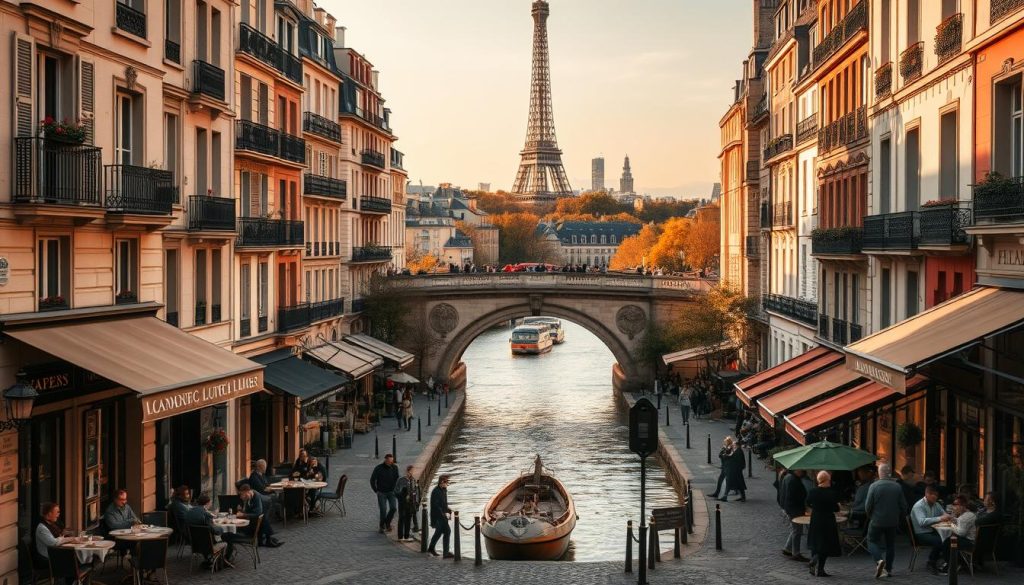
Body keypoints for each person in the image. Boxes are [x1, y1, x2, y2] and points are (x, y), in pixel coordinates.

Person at [865, 463, 908, 579]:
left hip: (877, 520)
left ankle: (879, 561)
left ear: (879, 473)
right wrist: (899, 517)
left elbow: (868, 505)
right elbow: (904, 505)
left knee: (871, 541)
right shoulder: (897, 486)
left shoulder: (874, 486)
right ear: (890, 473)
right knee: (890, 545)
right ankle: (888, 569)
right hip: (892, 521)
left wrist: (870, 516)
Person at [186, 494, 244, 563]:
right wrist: (222, 529)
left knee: (206, 535)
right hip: (208, 545)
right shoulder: (206, 515)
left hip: (194, 544)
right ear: (207, 503)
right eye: (210, 502)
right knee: (229, 536)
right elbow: (215, 531)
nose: (211, 504)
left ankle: (208, 559)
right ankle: (226, 560)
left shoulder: (189, 512)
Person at [806, 471, 841, 577]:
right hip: (828, 520)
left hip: (816, 518)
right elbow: (836, 508)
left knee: (816, 542)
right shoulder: (832, 493)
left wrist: (816, 507)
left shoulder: (813, 491)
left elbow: (807, 502)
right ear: (827, 480)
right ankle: (820, 569)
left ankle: (813, 559)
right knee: (825, 544)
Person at [911, 486, 953, 573]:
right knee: (940, 541)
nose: (935, 497)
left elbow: (944, 514)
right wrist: (940, 518)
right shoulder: (919, 506)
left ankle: (946, 562)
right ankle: (932, 562)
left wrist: (948, 516)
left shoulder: (936, 504)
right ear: (926, 494)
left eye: (936, 495)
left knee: (948, 539)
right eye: (932, 495)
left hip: (932, 531)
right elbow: (922, 522)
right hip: (921, 534)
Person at [936, 495, 977, 575]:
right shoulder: (967, 515)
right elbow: (960, 522)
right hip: (970, 540)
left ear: (962, 506)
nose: (953, 507)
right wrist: (954, 519)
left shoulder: (966, 517)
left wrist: (951, 525)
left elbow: (961, 532)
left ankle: (953, 565)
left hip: (969, 542)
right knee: (949, 540)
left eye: (955, 505)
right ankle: (956, 562)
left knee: (947, 543)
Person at [779, 469, 808, 562]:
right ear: (797, 470)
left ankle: (787, 548)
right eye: (801, 470)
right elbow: (794, 496)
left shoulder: (788, 477)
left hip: (789, 508)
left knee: (795, 529)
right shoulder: (793, 480)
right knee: (797, 531)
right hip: (795, 509)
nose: (803, 472)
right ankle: (796, 553)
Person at [370, 453, 400, 533]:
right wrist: (376, 490)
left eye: (392, 461)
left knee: (393, 508)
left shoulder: (395, 468)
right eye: (389, 461)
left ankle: (387, 522)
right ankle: (382, 526)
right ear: (386, 460)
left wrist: (396, 490)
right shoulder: (378, 468)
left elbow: (397, 479)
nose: (391, 463)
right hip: (381, 492)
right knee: (383, 509)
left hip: (391, 492)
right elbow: (372, 480)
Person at [428, 475, 454, 558]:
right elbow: (436, 505)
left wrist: (448, 510)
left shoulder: (444, 490)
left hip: (442, 515)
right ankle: (445, 553)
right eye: (446, 482)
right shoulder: (436, 491)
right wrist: (443, 514)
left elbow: (444, 504)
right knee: (447, 531)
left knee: (439, 533)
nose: (447, 484)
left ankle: (432, 548)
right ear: (441, 482)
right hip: (438, 516)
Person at [395, 465, 421, 542]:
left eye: (412, 471)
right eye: (410, 471)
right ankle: (400, 537)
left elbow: (415, 492)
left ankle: (406, 536)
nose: (411, 473)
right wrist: (403, 496)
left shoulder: (413, 480)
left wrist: (416, 502)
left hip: (410, 503)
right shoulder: (401, 480)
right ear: (407, 471)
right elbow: (396, 492)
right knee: (402, 518)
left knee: (408, 519)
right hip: (402, 503)